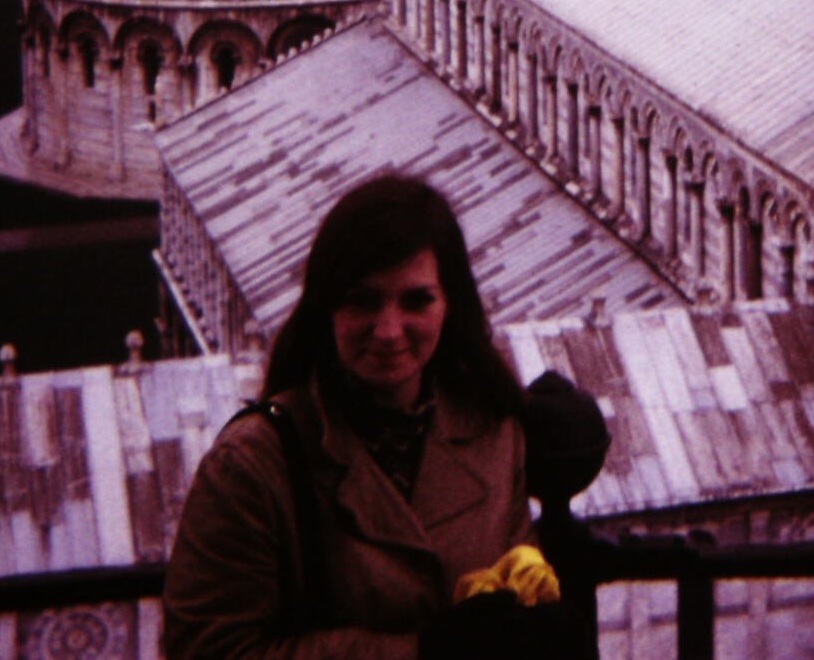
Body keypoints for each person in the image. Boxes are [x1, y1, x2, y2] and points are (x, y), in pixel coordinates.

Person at [163, 174, 578, 659]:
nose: (388, 330)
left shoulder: (493, 431)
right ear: (327, 308)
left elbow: (511, 583)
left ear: (450, 304)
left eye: (416, 300)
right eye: (363, 300)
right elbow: (205, 652)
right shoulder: (253, 463)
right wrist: (421, 652)